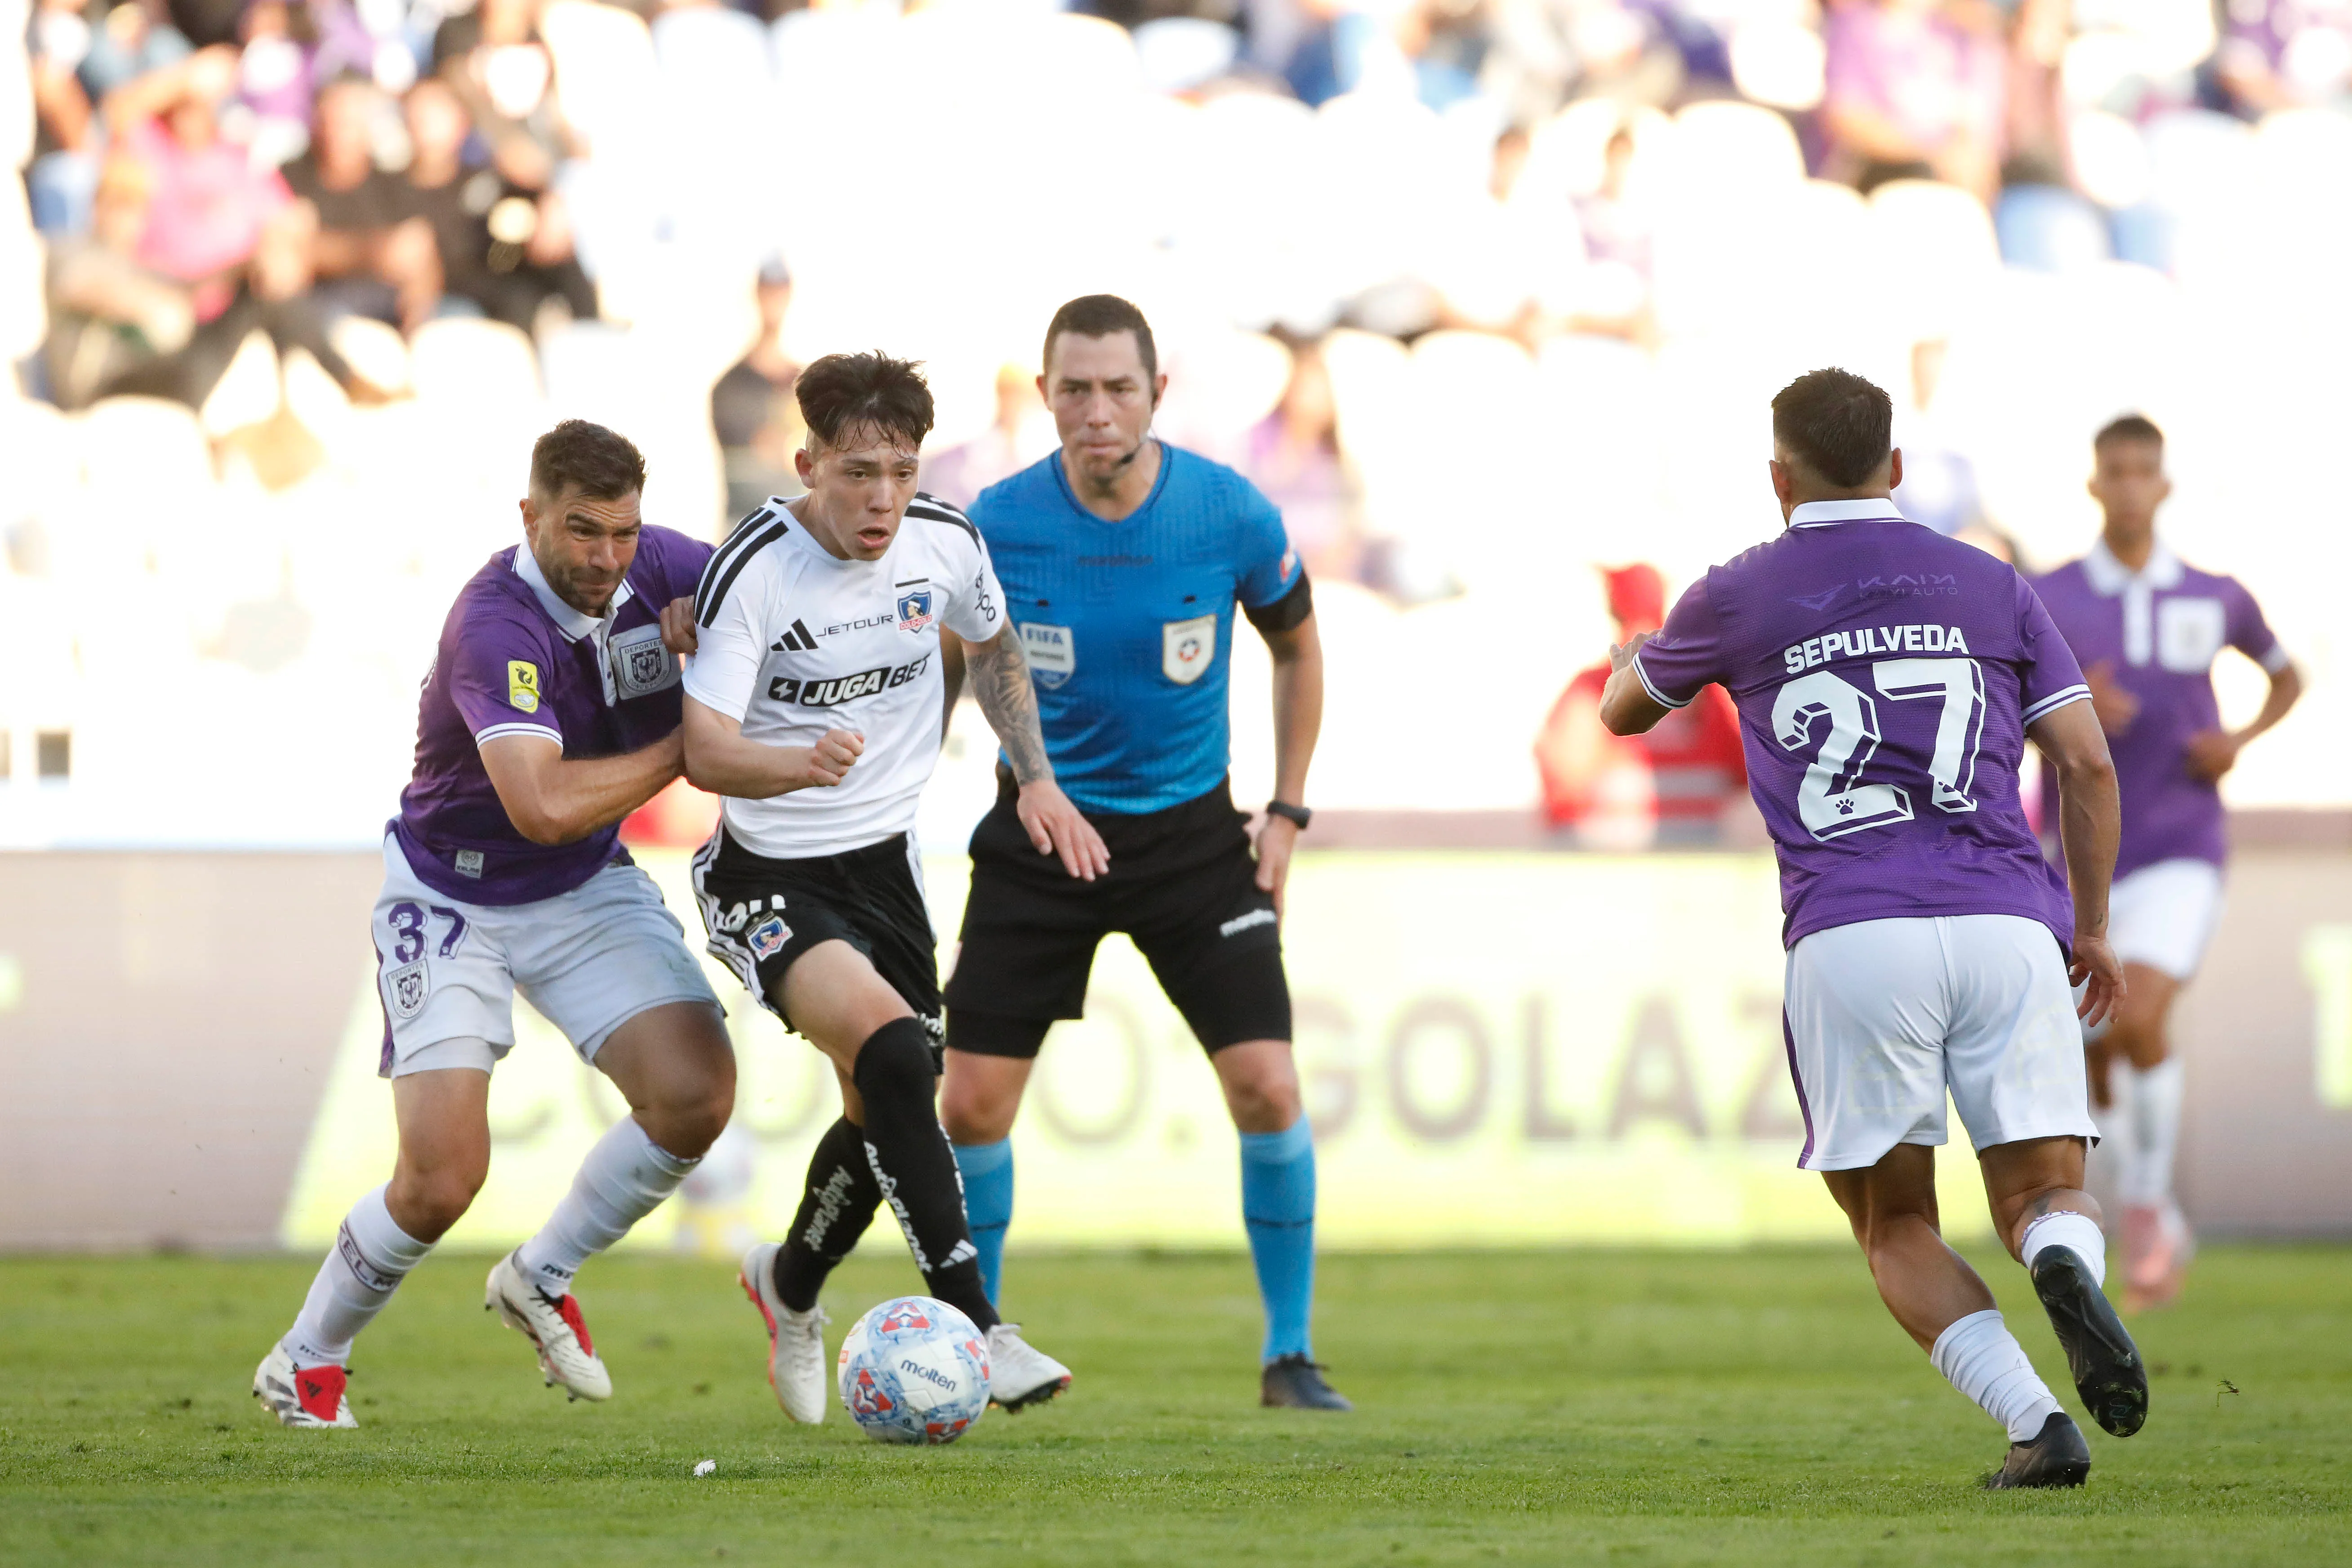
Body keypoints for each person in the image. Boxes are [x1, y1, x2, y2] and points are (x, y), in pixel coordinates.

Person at [1599, 367, 2144, 1488]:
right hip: (2005, 918)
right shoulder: (1990, 583)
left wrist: (1628, 662)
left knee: (1895, 1223)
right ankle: (2057, 1256)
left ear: (1776, 477)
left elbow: (1624, 715)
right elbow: (2086, 761)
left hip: (1853, 933)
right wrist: (2088, 926)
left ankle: (2038, 1424)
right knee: (2044, 1193)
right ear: (1895, 468)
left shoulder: (1738, 590)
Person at [253, 420, 735, 1429]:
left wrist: (733, 624)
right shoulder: (494, 623)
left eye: (623, 534)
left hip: (581, 885)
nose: (607, 560)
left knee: (696, 1095)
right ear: (532, 516)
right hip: (452, 894)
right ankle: (307, 1357)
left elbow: (776, 587)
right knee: (441, 1179)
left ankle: (543, 1274)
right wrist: (693, 742)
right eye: (582, 533)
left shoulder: (663, 563)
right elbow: (544, 804)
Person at [937, 294, 1347, 1412]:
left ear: (1157, 395)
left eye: (1119, 387)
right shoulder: (997, 522)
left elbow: (1300, 651)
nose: (1097, 409)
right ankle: (981, 1345)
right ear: (1044, 394)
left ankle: (1291, 1354)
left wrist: (1288, 809)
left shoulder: (1230, 513)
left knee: (1267, 1084)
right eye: (1075, 388)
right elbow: (953, 663)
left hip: (1190, 838)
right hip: (1038, 830)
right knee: (968, 1107)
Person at [674, 351, 1097, 1425]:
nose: (880, 498)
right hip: (767, 866)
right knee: (901, 1056)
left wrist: (1035, 778)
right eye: (856, 471)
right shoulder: (757, 569)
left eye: (900, 472)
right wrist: (798, 761)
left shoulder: (944, 544)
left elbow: (994, 644)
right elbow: (706, 752)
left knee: (883, 1109)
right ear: (805, 459)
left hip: (887, 866)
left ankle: (789, 1285)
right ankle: (978, 1323)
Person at [2032, 415, 2302, 1310]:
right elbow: (1998, 695)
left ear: (2166, 483)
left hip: (2183, 843)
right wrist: (2061, 708)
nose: (2132, 485)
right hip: (2078, 859)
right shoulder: (2048, 597)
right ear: (2094, 484)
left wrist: (2239, 738)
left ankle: (2144, 1204)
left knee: (2137, 1012)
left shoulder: (2214, 595)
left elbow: (2286, 674)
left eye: (2146, 469)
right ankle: (2145, 1213)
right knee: (2096, 1043)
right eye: (2117, 469)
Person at [1536, 564, 1745, 846]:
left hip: (1623, 859)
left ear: (1612, 608)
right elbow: (1745, 770)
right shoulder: (1708, 687)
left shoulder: (1594, 687)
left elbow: (1562, 786)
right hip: (1700, 852)